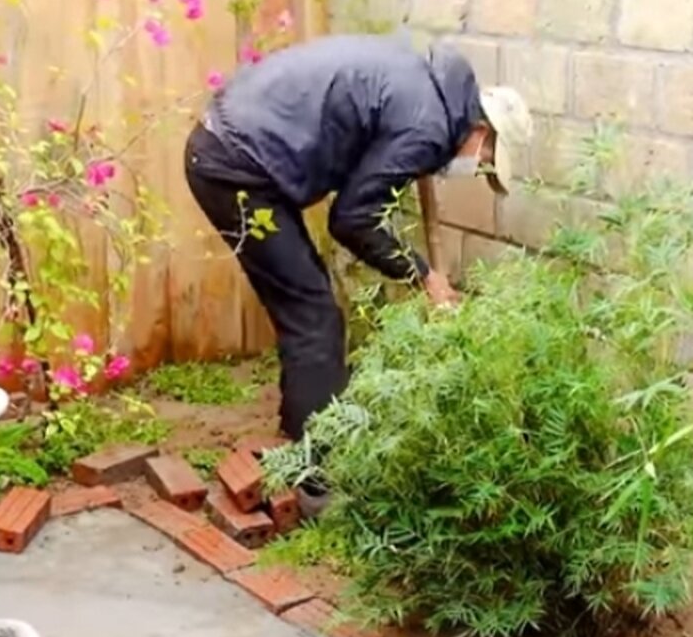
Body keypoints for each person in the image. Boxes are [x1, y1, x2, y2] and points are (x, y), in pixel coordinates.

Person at [182, 34, 533, 505]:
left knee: (305, 302)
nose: (479, 169)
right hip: (235, 165)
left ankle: (298, 432)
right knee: (315, 315)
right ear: (482, 132)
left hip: (231, 144)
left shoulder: (429, 99)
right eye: (486, 163)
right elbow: (351, 220)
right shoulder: (428, 126)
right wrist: (421, 273)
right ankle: (317, 479)